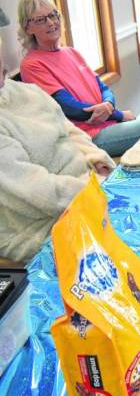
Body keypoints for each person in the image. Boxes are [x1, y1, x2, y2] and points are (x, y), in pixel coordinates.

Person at [0, 40, 115, 264]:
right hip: (41, 226)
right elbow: (33, 190)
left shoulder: (27, 91)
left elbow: (69, 130)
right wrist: (95, 190)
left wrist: (95, 157)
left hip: (87, 188)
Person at [17, 0, 140, 157]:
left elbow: (104, 88)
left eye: (53, 15)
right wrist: (120, 115)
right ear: (27, 28)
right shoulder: (32, 65)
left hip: (109, 123)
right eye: (41, 20)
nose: (51, 22)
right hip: (89, 136)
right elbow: (68, 108)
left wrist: (109, 105)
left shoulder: (71, 52)